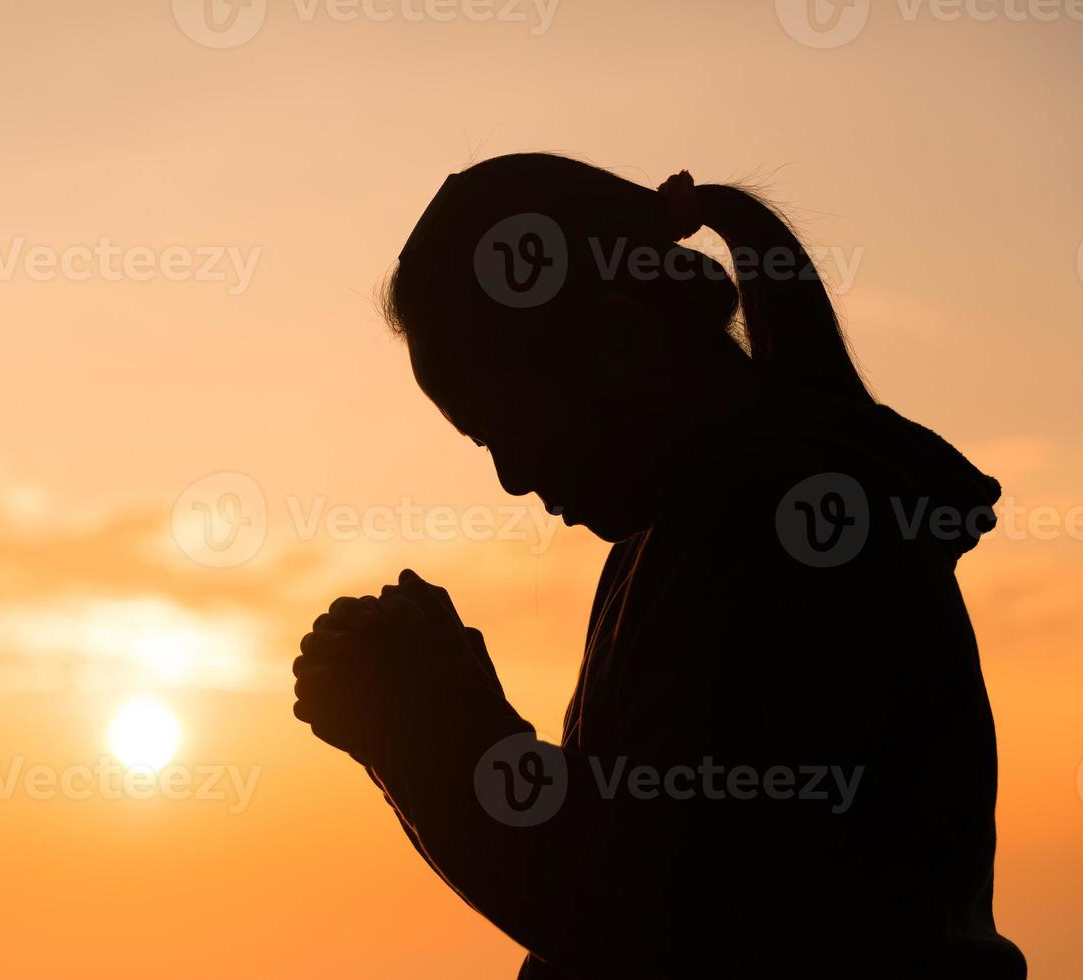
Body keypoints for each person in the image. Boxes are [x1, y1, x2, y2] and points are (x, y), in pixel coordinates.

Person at [290, 154, 1025, 978]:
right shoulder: (687, 530)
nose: (512, 477)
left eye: (505, 429)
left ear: (623, 342)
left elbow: (640, 917)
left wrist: (427, 731)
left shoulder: (784, 533)